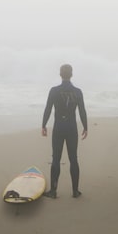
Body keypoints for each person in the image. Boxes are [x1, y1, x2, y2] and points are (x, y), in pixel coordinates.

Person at [41, 63, 88, 198]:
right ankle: (75, 191)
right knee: (73, 159)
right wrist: (86, 127)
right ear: (71, 74)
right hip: (72, 128)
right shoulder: (77, 92)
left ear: (60, 74)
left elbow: (48, 109)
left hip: (59, 128)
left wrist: (43, 125)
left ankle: (53, 191)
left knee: (56, 158)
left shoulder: (54, 91)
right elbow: (82, 111)